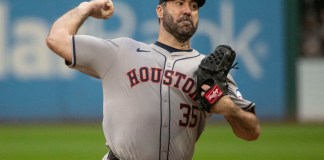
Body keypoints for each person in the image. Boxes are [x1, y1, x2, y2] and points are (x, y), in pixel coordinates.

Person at [46, 0, 261, 159]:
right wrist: (86, 8)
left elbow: (252, 132)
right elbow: (57, 39)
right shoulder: (121, 52)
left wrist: (230, 109)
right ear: (160, 10)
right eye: (179, 3)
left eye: (194, 6)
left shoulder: (208, 70)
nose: (187, 10)